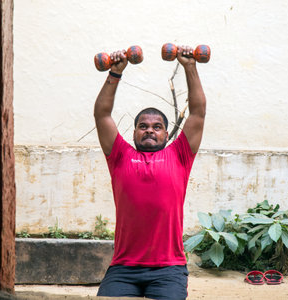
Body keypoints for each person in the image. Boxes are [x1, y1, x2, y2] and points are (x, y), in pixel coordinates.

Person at [94, 45, 206, 299]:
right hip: (124, 268)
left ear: (167, 134)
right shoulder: (120, 156)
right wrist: (115, 73)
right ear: (133, 133)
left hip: (169, 269)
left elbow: (198, 112)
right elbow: (102, 114)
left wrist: (190, 67)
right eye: (142, 126)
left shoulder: (179, 155)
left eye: (157, 127)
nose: (149, 130)